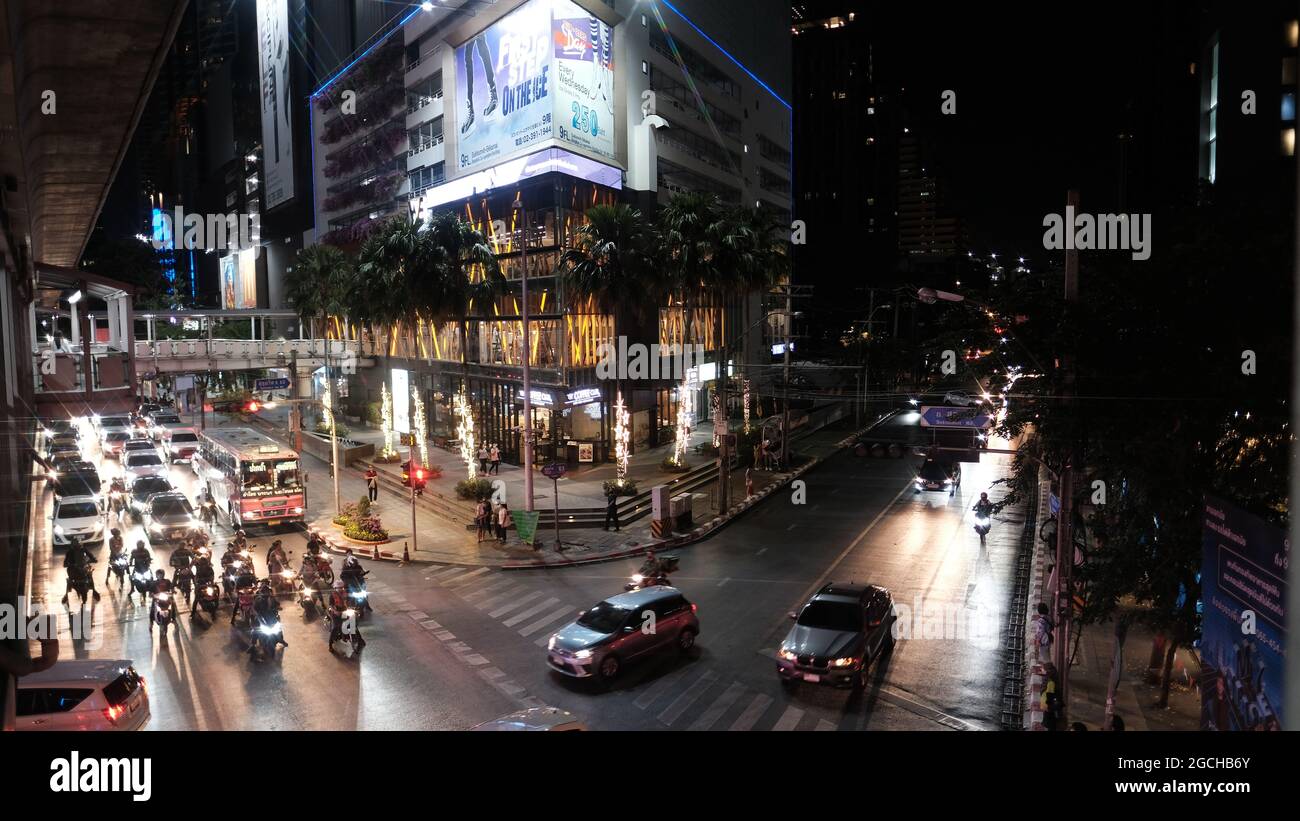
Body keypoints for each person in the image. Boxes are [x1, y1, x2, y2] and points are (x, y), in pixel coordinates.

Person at [327, 579, 366, 652]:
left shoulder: (346, 593)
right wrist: (335, 611)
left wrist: (355, 608)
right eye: (339, 588)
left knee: (353, 625)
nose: (341, 589)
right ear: (335, 588)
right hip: (336, 614)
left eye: (342, 587)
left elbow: (352, 601)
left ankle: (360, 641)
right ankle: (330, 645)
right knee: (335, 627)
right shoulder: (332, 595)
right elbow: (330, 605)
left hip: (346, 612)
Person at [61, 537, 101, 604]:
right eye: (76, 545)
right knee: (70, 581)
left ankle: (94, 590)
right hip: (73, 570)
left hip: (83, 568)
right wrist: (70, 565)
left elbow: (90, 555)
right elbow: (65, 563)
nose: (77, 546)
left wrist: (93, 559)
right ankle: (66, 594)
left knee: (89, 574)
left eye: (78, 545)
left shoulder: (82, 549)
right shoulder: (70, 552)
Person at [252, 579, 286, 649]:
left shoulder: (272, 599)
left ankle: (281, 640)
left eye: (267, 592)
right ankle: (253, 644)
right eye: (264, 592)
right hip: (262, 618)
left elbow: (278, 605)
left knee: (279, 628)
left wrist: (278, 607)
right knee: (255, 629)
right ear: (261, 593)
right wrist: (257, 614)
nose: (266, 594)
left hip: (272, 618)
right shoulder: (258, 600)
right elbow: (254, 609)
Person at [1040, 662, 1063, 731]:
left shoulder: (1050, 682)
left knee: (1050, 723)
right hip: (1052, 706)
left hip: (1050, 707)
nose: (1042, 670)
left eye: (1043, 669)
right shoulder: (1053, 677)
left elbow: (1046, 693)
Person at [128, 540, 152, 606]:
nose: (140, 546)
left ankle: (151, 590)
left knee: (151, 577)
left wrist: (149, 561)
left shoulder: (146, 551)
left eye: (141, 544)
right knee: (131, 577)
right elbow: (131, 558)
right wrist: (130, 563)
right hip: (137, 569)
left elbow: (149, 558)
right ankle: (132, 588)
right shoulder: (134, 551)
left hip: (145, 568)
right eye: (139, 544)